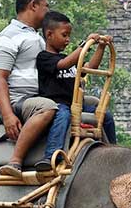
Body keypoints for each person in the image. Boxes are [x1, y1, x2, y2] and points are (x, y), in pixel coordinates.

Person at [34, 11, 117, 170]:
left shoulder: (69, 59)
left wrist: (100, 47)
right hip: (57, 104)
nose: (67, 40)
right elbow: (64, 64)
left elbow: (89, 67)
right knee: (63, 114)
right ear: (49, 34)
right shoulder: (44, 58)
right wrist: (84, 44)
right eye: (64, 35)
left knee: (105, 115)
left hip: (76, 104)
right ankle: (52, 154)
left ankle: (113, 149)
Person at [0, 0, 58, 177]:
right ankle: (16, 161)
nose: (48, 12)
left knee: (93, 106)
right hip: (21, 101)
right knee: (47, 108)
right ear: (33, 5)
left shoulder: (36, 36)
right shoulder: (8, 37)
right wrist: (7, 115)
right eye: (46, 7)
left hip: (41, 96)